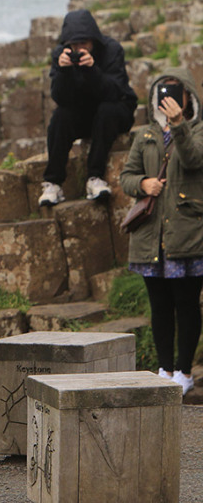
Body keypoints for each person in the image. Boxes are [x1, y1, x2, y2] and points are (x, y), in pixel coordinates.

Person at [120, 67, 203, 396]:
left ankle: (184, 371)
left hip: (188, 234)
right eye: (163, 92)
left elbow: (194, 159)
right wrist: (143, 183)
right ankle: (164, 368)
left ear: (188, 96)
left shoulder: (197, 130)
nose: (167, 98)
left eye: (175, 91)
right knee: (159, 306)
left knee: (187, 303)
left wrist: (180, 125)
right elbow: (127, 176)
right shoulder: (145, 135)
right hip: (151, 237)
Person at [39, 9, 138, 206]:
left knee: (106, 110)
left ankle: (95, 178)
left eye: (83, 43)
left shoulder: (112, 50)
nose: (79, 48)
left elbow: (115, 92)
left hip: (116, 110)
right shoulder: (61, 55)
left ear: (93, 40)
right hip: (84, 112)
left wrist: (92, 70)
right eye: (74, 44)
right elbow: (60, 98)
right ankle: (53, 183)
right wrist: (64, 73)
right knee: (60, 116)